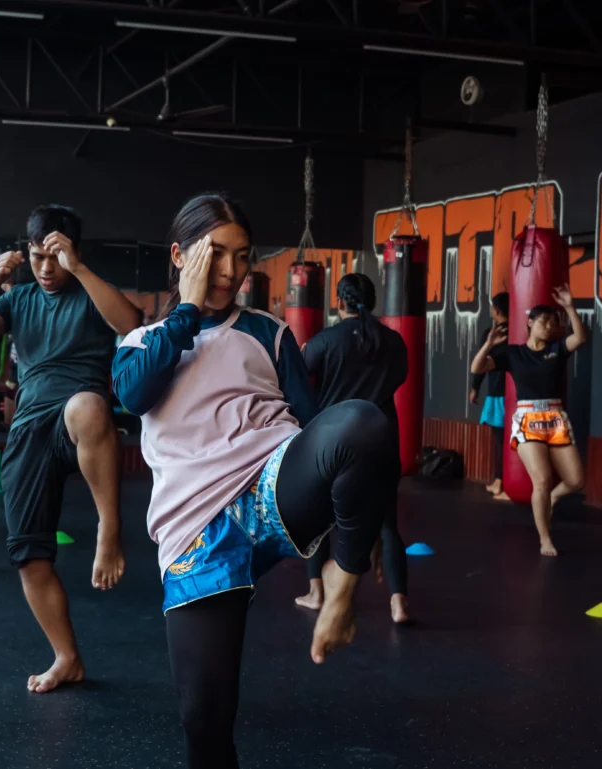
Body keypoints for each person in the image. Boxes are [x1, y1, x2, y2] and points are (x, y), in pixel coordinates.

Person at [112, 194, 398, 769]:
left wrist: (354, 516)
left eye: (241, 257)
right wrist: (187, 313)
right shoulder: (142, 343)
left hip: (272, 488)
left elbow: (318, 427)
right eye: (214, 254)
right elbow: (133, 395)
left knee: (361, 423)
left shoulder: (270, 334)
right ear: (179, 255)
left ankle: (343, 587)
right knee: (204, 723)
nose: (229, 271)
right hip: (197, 531)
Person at [0, 205, 141, 693]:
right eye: (38, 257)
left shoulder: (89, 292)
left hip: (77, 419)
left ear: (73, 252)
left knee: (87, 405)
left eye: (55, 257)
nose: (45, 268)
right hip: (29, 430)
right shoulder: (19, 300)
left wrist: (78, 266)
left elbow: (130, 322)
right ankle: (67, 658)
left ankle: (109, 527)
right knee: (29, 557)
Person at [293, 272, 411, 624]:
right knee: (388, 525)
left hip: (336, 443)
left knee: (320, 522)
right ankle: (399, 603)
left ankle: (317, 593)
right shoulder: (393, 342)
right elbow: (400, 377)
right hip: (383, 440)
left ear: (339, 302)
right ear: (371, 302)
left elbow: (297, 383)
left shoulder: (324, 341)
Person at [470, 284, 586, 556]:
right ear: (530, 323)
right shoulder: (513, 353)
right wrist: (488, 344)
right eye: (544, 321)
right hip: (528, 418)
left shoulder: (558, 349)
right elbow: (477, 367)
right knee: (542, 480)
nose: (549, 326)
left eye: (552, 323)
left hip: (555, 418)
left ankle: (552, 499)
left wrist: (569, 306)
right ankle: (545, 538)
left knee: (576, 480)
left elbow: (579, 338)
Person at [470, 292, 510, 500]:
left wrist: (475, 387)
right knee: (508, 441)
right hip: (513, 394)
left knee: (500, 442)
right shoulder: (518, 330)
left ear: (496, 310)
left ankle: (500, 480)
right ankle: (500, 480)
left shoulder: (490, 333)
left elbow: (481, 364)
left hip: (497, 393)